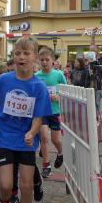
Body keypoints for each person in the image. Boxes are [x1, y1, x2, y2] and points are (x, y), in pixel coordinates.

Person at [0, 37, 51, 203]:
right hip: (4, 136)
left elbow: (39, 117)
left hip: (26, 140)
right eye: (17, 53)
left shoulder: (38, 87)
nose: (21, 57)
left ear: (35, 57)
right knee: (6, 185)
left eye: (26, 53)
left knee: (26, 186)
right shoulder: (4, 80)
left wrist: (32, 132)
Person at [34, 47, 66, 178]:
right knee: (44, 137)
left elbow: (66, 91)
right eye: (42, 60)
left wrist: (58, 96)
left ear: (53, 60)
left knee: (56, 139)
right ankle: (46, 165)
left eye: (47, 60)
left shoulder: (58, 75)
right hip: (41, 111)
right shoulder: (36, 76)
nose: (44, 62)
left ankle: (61, 153)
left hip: (55, 111)